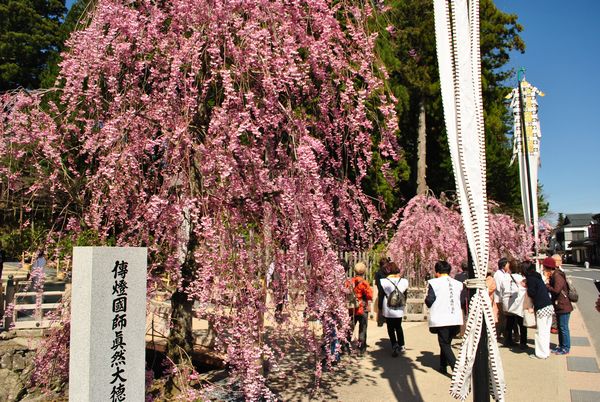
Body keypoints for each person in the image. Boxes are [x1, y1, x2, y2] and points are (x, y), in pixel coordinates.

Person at [425, 261, 465, 375]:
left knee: (444, 344)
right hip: (455, 318)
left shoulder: (434, 283)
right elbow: (461, 300)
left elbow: (430, 300)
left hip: (442, 318)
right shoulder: (458, 283)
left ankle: (457, 370)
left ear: (437, 272)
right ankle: (443, 365)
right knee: (447, 342)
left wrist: (426, 300)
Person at [524, 261, 554, 359]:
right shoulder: (537, 276)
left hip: (541, 307)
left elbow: (532, 292)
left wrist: (525, 286)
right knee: (545, 331)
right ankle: (545, 352)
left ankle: (540, 354)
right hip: (548, 305)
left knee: (540, 331)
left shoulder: (530, 278)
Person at [381, 261, 409, 357]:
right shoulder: (404, 281)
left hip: (388, 307)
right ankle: (402, 344)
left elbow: (381, 295)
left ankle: (394, 344)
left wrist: (380, 308)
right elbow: (405, 295)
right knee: (398, 326)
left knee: (390, 327)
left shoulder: (383, 281)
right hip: (399, 306)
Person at [546, 256, 573, 355]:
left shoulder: (557, 275)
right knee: (561, 327)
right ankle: (561, 346)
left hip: (563, 305)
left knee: (563, 327)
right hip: (560, 305)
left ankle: (566, 347)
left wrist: (547, 286)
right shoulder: (555, 275)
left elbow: (557, 290)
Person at [347, 261, 373, 355]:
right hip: (363, 308)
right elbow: (370, 295)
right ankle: (360, 349)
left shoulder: (350, 282)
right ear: (364, 271)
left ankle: (347, 347)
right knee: (362, 329)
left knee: (350, 328)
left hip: (352, 308)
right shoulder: (365, 283)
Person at [501, 259, 527, 349]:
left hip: (507, 301)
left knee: (509, 322)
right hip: (518, 302)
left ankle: (508, 340)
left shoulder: (505, 277)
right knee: (521, 322)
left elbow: (502, 288)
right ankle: (523, 342)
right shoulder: (521, 278)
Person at [494, 258, 509, 341]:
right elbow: (499, 287)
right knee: (501, 317)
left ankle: (500, 332)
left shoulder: (504, 274)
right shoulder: (498, 274)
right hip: (499, 298)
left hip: (502, 297)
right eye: (507, 264)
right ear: (503, 265)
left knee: (502, 317)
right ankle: (499, 333)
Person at [374, 257, 390, 327]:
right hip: (387, 291)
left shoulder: (378, 273)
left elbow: (377, 283)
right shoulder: (388, 272)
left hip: (381, 291)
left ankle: (380, 321)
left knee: (380, 306)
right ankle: (386, 320)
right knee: (387, 305)